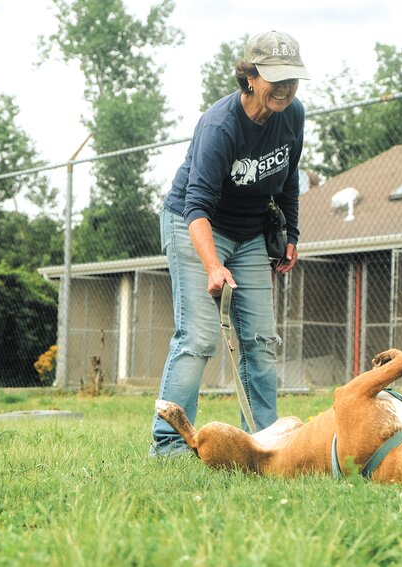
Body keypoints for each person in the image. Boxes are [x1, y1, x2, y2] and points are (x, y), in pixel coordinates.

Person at [150, 30, 309, 457]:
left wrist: (291, 234)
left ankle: (264, 442)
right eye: (276, 77)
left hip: (250, 231)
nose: (285, 87)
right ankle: (169, 445)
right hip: (195, 224)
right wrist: (213, 265)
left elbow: (289, 178)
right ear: (250, 76)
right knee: (197, 338)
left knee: (260, 341)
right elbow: (196, 205)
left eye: (292, 78)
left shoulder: (293, 115)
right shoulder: (220, 126)